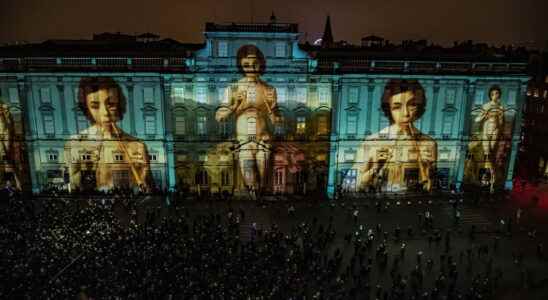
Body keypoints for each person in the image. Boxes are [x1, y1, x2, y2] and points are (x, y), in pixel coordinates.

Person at [65, 77, 152, 192]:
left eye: (110, 104)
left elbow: (147, 188)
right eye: (95, 106)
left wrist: (143, 175)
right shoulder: (75, 144)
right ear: (86, 108)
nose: (104, 113)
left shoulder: (137, 145)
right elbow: (72, 186)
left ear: (119, 105)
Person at [215, 45, 278, 192]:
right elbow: (219, 116)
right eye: (246, 65)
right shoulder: (233, 88)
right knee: (249, 179)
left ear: (261, 64)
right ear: (241, 66)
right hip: (243, 141)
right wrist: (234, 105)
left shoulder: (269, 89)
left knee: (262, 178)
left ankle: (260, 197)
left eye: (254, 64)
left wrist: (269, 107)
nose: (251, 68)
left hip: (262, 140)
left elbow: (276, 121)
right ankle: (252, 196)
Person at [357, 79, 437, 193]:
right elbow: (354, 186)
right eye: (397, 107)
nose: (405, 114)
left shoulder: (429, 143)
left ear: (419, 107)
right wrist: (375, 168)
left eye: (412, 105)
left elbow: (430, 189)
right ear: (388, 109)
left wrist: (427, 170)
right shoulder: (371, 142)